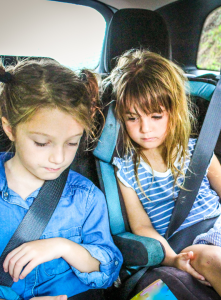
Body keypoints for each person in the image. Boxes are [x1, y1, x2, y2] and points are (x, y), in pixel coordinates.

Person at [107, 49, 221, 300]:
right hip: (182, 244)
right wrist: (172, 259)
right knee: (215, 259)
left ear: (173, 112)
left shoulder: (196, 151)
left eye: (156, 116)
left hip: (220, 224)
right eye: (132, 118)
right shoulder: (126, 169)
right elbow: (142, 226)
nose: (144, 128)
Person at [0, 59, 122, 300]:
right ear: (10, 128)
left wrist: (63, 247)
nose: (58, 158)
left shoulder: (86, 198)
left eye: (72, 143)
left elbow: (107, 268)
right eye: (42, 143)